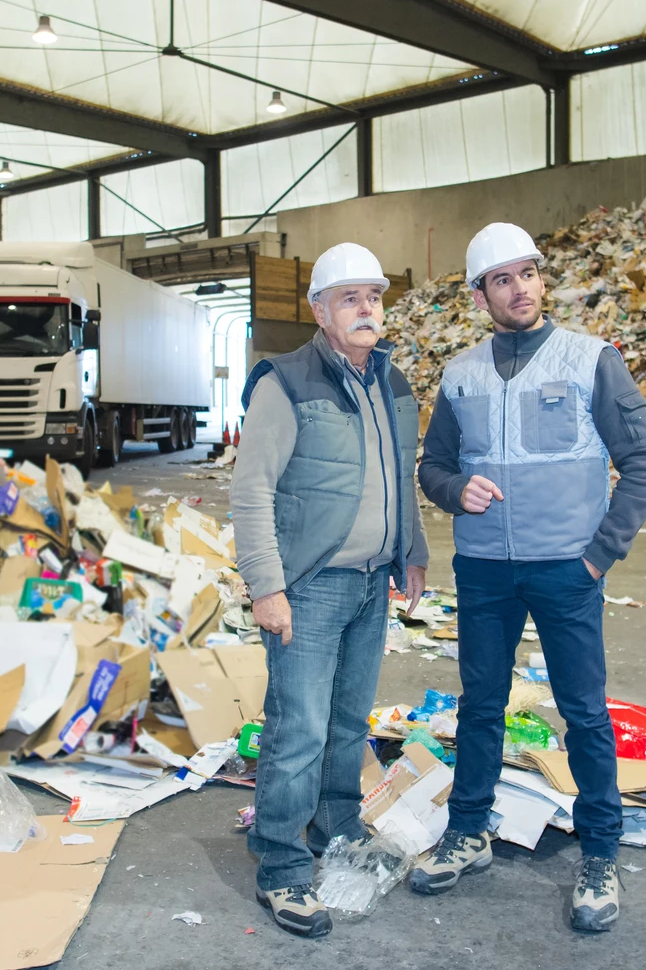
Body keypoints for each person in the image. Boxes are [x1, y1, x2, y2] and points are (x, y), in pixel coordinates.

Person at [408, 222, 646, 933]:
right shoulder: (460, 374)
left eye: (527, 273)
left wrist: (597, 554)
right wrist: (458, 491)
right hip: (485, 570)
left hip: (567, 569)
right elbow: (432, 467)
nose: (518, 288)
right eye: (502, 279)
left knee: (583, 711)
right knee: (481, 705)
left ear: (541, 280)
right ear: (481, 293)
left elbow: (645, 464)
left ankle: (601, 853)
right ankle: (468, 832)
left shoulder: (592, 361)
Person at [231, 242, 429, 939]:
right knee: (298, 730)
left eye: (373, 296)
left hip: (373, 584)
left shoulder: (393, 383)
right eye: (350, 297)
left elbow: (401, 475)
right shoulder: (284, 382)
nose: (367, 307)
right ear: (319, 310)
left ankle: (336, 822)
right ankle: (282, 865)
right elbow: (250, 489)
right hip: (309, 587)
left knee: (350, 722)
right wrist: (266, 586)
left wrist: (413, 548)